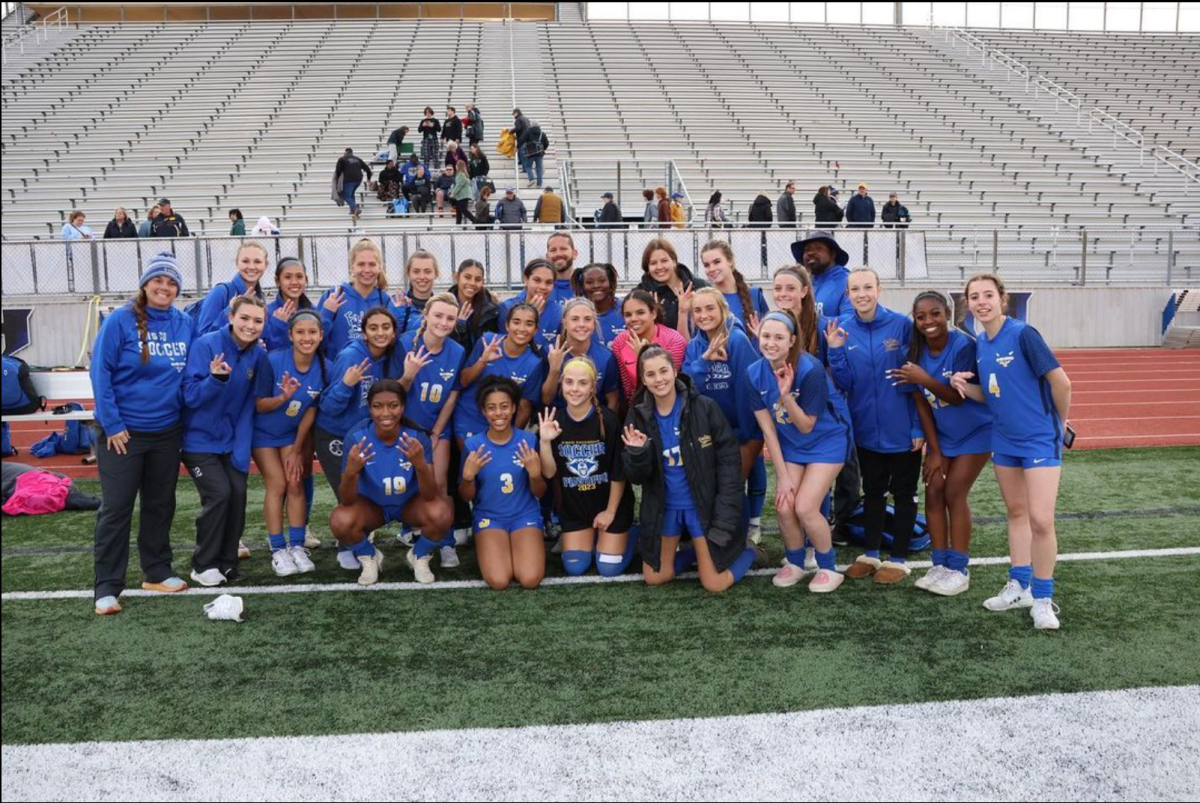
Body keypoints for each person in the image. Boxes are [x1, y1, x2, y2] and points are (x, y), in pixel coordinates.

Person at [949, 274, 1072, 630]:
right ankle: (1019, 585)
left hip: (1038, 440)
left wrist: (1058, 423)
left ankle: (1043, 597)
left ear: (1002, 299)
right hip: (1004, 440)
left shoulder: (1023, 334)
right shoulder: (981, 343)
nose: (981, 301)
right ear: (967, 303)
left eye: (988, 295)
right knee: (1016, 513)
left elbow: (1061, 382)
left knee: (1041, 520)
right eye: (974, 296)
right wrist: (963, 386)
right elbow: (990, 394)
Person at [90, 253, 195, 615]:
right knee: (117, 508)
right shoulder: (121, 320)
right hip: (123, 433)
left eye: (171, 282)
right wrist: (114, 424)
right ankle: (107, 585)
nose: (164, 287)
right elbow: (100, 373)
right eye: (158, 281)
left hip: (167, 432)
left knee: (160, 504)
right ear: (146, 284)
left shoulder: (184, 323)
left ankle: (157, 569)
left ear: (178, 288)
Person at [621, 346, 756, 593]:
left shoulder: (704, 407)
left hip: (701, 507)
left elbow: (729, 463)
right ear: (643, 379)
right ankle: (697, 552)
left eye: (664, 371)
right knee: (656, 577)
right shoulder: (637, 415)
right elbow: (636, 477)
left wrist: (724, 515)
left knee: (714, 584)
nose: (658, 379)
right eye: (651, 374)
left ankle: (748, 552)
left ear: (675, 371)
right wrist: (637, 453)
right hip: (666, 508)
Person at [827, 268, 926, 585]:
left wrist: (916, 427)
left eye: (867, 287)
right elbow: (845, 384)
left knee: (905, 493)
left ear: (879, 289)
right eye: (855, 289)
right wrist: (834, 351)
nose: (861, 294)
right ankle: (870, 553)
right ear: (848, 294)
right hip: (866, 429)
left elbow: (915, 380)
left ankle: (898, 559)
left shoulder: (902, 325)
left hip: (902, 430)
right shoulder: (841, 328)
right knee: (871, 492)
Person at [889, 291, 991, 597]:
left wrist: (924, 378)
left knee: (954, 492)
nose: (928, 321)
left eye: (934, 314)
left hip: (976, 431)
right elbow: (922, 404)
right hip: (943, 435)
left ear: (947, 313)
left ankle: (959, 569)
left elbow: (957, 398)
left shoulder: (963, 346)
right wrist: (933, 451)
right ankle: (940, 564)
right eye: (921, 317)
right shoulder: (912, 352)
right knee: (933, 492)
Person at [748, 310, 851, 592]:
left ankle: (829, 566)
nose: (771, 343)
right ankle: (795, 562)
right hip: (792, 446)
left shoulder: (810, 369)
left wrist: (784, 395)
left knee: (805, 506)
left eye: (779, 337)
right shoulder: (754, 373)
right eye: (766, 336)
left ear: (792, 340)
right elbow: (769, 430)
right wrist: (782, 476)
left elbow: (806, 425)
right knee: (784, 503)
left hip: (826, 442)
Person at [305, 305, 405, 570]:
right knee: (347, 492)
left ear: (394, 333)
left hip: (362, 434)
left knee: (366, 491)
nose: (380, 332)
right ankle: (347, 548)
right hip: (334, 434)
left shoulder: (390, 357)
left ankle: (357, 538)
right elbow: (328, 406)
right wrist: (347, 384)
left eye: (386, 327)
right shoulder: (352, 357)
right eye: (373, 328)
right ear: (364, 333)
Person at [181, 295, 270, 587]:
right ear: (231, 317)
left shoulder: (257, 354)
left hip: (231, 443)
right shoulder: (206, 345)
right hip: (198, 442)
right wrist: (214, 379)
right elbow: (189, 396)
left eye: (258, 320)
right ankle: (203, 563)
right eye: (244, 318)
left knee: (238, 494)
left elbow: (254, 401)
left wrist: (242, 448)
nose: (250, 325)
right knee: (219, 494)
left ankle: (227, 562)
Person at [331, 381, 453, 586]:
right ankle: (368, 556)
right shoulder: (357, 437)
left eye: (393, 405)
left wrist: (420, 464)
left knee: (442, 512)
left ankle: (419, 555)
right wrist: (351, 472)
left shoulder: (416, 436)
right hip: (372, 507)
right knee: (340, 519)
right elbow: (347, 499)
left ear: (403, 407)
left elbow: (431, 495)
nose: (385, 413)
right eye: (378, 406)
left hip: (409, 505)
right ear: (369, 408)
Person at [538, 359, 636, 577]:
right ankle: (591, 536)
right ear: (561, 384)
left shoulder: (608, 421)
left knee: (608, 567)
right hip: (575, 509)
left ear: (593, 387)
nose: (575, 389)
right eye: (569, 382)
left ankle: (632, 533)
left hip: (610, 506)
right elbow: (549, 473)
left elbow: (619, 473)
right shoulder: (554, 421)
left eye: (582, 383)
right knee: (575, 566)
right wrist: (544, 441)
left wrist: (610, 512)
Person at [683, 288, 762, 543]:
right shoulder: (695, 346)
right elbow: (688, 389)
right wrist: (704, 360)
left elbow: (746, 389)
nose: (704, 315)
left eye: (710, 308)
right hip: (710, 431)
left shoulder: (737, 340)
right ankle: (718, 538)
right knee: (714, 486)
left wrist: (744, 434)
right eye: (698, 310)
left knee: (734, 486)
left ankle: (743, 538)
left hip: (739, 431)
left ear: (722, 310)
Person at [252, 310, 325, 577]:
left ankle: (296, 546)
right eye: (301, 332)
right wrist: (283, 397)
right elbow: (259, 405)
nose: (307, 338)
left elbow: (311, 410)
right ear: (291, 335)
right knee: (278, 484)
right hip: (262, 434)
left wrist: (297, 448)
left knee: (295, 481)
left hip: (289, 436)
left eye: (312, 332)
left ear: (321, 335)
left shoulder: (323, 365)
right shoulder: (272, 361)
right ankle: (278, 549)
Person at [398, 293, 466, 573]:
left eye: (450, 318)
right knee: (411, 483)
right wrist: (409, 374)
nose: (443, 322)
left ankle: (445, 538)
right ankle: (416, 531)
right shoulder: (405, 344)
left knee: (439, 484)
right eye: (438, 315)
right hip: (406, 427)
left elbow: (452, 396)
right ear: (425, 316)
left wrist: (437, 432)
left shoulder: (457, 351)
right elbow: (393, 391)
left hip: (438, 427)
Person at [460, 376, 548, 590]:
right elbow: (466, 496)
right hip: (490, 518)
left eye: (504, 406)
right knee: (499, 581)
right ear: (483, 411)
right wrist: (468, 477)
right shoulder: (473, 445)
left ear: (514, 408)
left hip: (524, 516)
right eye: (491, 408)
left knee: (529, 579)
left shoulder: (528, 441)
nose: (498, 413)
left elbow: (540, 492)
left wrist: (535, 475)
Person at [456, 303, 543, 445]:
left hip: (501, 425)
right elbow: (464, 380)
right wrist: (483, 360)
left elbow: (524, 408)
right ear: (507, 325)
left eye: (529, 324)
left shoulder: (534, 363)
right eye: (516, 322)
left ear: (535, 330)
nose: (522, 329)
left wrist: (511, 438)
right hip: (469, 419)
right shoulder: (488, 341)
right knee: (472, 465)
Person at [316, 239, 401, 356]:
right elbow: (316, 339)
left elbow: (392, 342)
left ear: (379, 267)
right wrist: (327, 314)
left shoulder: (385, 300)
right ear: (352, 267)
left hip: (374, 371)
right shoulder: (334, 296)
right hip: (340, 371)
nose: (367, 270)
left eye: (372, 264)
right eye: (361, 264)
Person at [541, 298, 620, 412]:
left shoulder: (606, 356)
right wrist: (554, 370)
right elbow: (546, 400)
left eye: (587, 319)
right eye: (575, 319)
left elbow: (612, 400)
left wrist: (606, 426)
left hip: (593, 421)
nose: (581, 324)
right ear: (565, 322)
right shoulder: (549, 352)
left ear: (594, 323)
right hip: (558, 421)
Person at [611, 290, 687, 405]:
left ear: (653, 314)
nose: (634, 319)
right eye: (628, 315)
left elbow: (669, 385)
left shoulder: (674, 340)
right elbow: (628, 389)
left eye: (640, 313)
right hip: (637, 405)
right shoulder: (620, 342)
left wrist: (642, 356)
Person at [700, 240, 769, 342]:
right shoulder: (706, 300)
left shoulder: (755, 295)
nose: (711, 269)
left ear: (730, 261)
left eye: (717, 262)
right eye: (706, 265)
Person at [194, 241, 268, 337]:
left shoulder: (260, 297)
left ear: (265, 265)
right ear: (237, 263)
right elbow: (203, 335)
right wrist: (230, 310)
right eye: (245, 261)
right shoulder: (221, 292)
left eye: (257, 262)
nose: (251, 267)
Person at [637, 238, 707, 339]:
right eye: (653, 263)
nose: (659, 267)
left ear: (674, 262)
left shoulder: (699, 286)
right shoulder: (641, 294)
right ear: (647, 268)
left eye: (664, 261)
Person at [789, 231, 855, 321]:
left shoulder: (848, 282)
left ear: (832, 254)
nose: (811, 253)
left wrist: (811, 323)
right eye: (807, 250)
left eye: (819, 248)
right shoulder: (803, 283)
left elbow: (851, 320)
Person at [498, 258, 558, 349]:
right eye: (537, 280)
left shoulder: (558, 312)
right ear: (526, 280)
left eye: (549, 282)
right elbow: (504, 347)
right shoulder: (507, 308)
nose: (543, 287)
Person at [263, 256, 315, 352]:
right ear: (277, 281)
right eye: (287, 277)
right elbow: (267, 353)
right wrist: (278, 325)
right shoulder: (266, 313)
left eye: (299, 276)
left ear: (306, 279)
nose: (294, 282)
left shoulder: (314, 312)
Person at [449, 258, 500, 355]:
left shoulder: (491, 311)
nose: (472, 283)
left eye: (478, 279)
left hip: (480, 363)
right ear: (457, 277)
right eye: (467, 277)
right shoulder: (444, 306)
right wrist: (459, 327)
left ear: (483, 282)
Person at [575, 262, 624, 349]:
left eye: (602, 281)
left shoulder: (624, 308)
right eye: (589, 282)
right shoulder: (576, 313)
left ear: (610, 282)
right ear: (583, 286)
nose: (596, 285)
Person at [395, 249, 440, 335]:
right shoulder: (395, 305)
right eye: (416, 271)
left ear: (436, 274)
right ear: (408, 273)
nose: (422, 276)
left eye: (427, 271)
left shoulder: (443, 306)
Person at [334, 148, 372, 223]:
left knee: (346, 196)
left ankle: (355, 208)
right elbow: (368, 169)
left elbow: (338, 170)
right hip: (358, 179)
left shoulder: (342, 159)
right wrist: (368, 178)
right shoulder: (358, 159)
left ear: (345, 153)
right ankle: (352, 210)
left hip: (349, 179)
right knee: (351, 194)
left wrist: (337, 179)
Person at [519, 119, 548, 188]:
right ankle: (539, 184)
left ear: (531, 125)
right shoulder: (542, 133)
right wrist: (542, 149)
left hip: (530, 153)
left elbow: (521, 140)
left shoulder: (528, 132)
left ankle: (531, 179)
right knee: (539, 168)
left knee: (528, 166)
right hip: (539, 154)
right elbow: (546, 143)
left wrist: (517, 147)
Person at [450, 160, 477, 225]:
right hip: (461, 196)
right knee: (458, 211)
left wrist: (453, 194)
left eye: (456, 165)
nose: (455, 166)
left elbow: (458, 186)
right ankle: (458, 224)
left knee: (464, 210)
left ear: (458, 166)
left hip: (463, 196)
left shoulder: (460, 175)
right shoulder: (463, 174)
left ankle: (475, 221)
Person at [511, 108, 531, 179]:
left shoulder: (518, 119)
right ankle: (521, 163)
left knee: (523, 154)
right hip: (528, 139)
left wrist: (511, 131)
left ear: (516, 113)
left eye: (513, 114)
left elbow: (518, 128)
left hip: (522, 139)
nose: (513, 115)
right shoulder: (526, 118)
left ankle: (525, 168)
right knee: (524, 153)